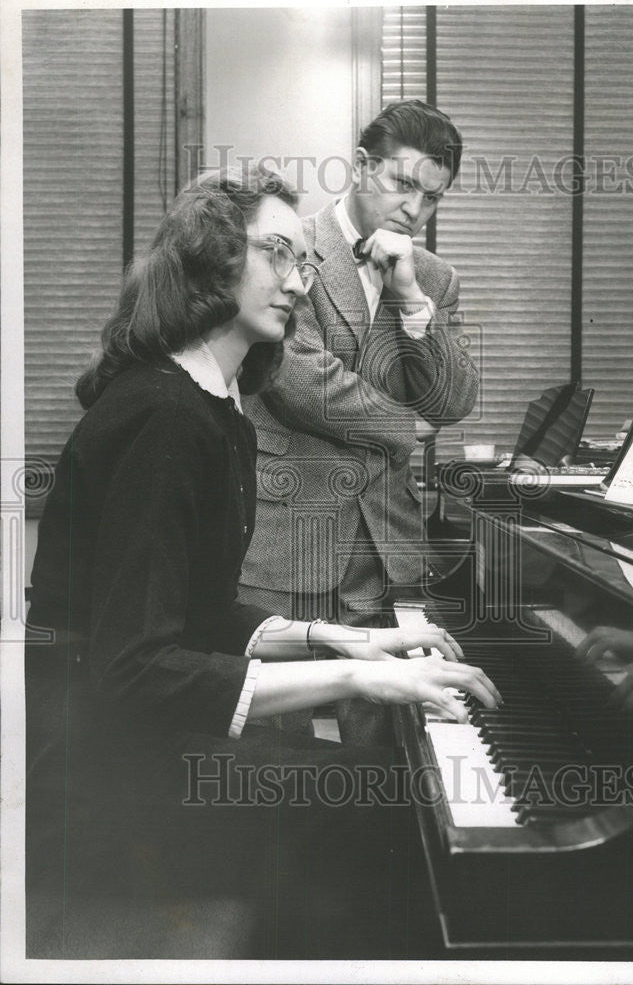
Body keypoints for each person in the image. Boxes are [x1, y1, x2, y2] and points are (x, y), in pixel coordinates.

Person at [24, 165, 500, 959]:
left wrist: (346, 641)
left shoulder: (212, 410)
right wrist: (359, 679)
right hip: (101, 779)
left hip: (138, 746)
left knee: (374, 784)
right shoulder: (164, 418)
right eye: (278, 253)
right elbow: (135, 668)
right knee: (384, 805)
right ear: (210, 260)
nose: (297, 279)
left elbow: (202, 617)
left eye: (303, 261)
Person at [239, 100, 479, 744]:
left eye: (432, 199)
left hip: (381, 546)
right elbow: (295, 379)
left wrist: (410, 302)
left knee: (386, 746)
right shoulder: (293, 245)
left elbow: (453, 400)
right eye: (402, 184)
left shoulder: (432, 277)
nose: (414, 209)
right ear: (363, 167)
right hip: (288, 537)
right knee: (275, 751)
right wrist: (408, 427)